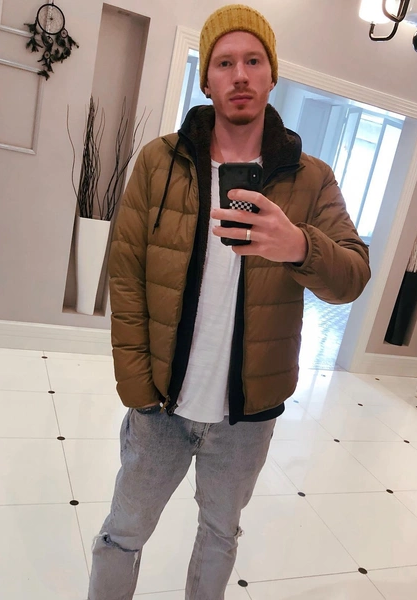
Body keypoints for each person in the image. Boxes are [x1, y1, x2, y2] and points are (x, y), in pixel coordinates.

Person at [88, 4, 370, 599]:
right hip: (161, 405)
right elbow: (126, 275)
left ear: (271, 75)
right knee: (122, 534)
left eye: (253, 60)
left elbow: (351, 277)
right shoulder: (159, 161)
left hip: (249, 414)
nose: (240, 74)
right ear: (206, 79)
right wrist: (137, 388)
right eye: (224, 62)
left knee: (220, 536)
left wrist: (300, 246)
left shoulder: (311, 178)